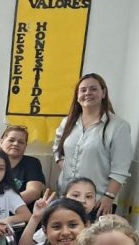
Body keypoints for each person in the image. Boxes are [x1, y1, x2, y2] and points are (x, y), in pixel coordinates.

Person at [54, 73, 133, 216]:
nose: (87, 93)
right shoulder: (67, 122)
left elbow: (120, 169)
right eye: (83, 90)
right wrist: (67, 167)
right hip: (67, 198)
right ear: (77, 96)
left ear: (103, 93)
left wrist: (109, 197)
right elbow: (57, 150)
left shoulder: (118, 126)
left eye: (93, 89)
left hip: (98, 202)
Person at [19, 177, 99, 245]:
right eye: (75, 195)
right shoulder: (54, 223)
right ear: (63, 198)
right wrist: (35, 217)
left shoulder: (99, 228)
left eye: (88, 196)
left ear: (95, 201)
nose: (82, 200)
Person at [0, 125, 46, 207]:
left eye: (21, 142)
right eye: (11, 140)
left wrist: (2, 205)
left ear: (25, 146)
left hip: (24, 213)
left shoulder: (32, 163)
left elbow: (34, 192)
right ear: (1, 142)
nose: (16, 144)